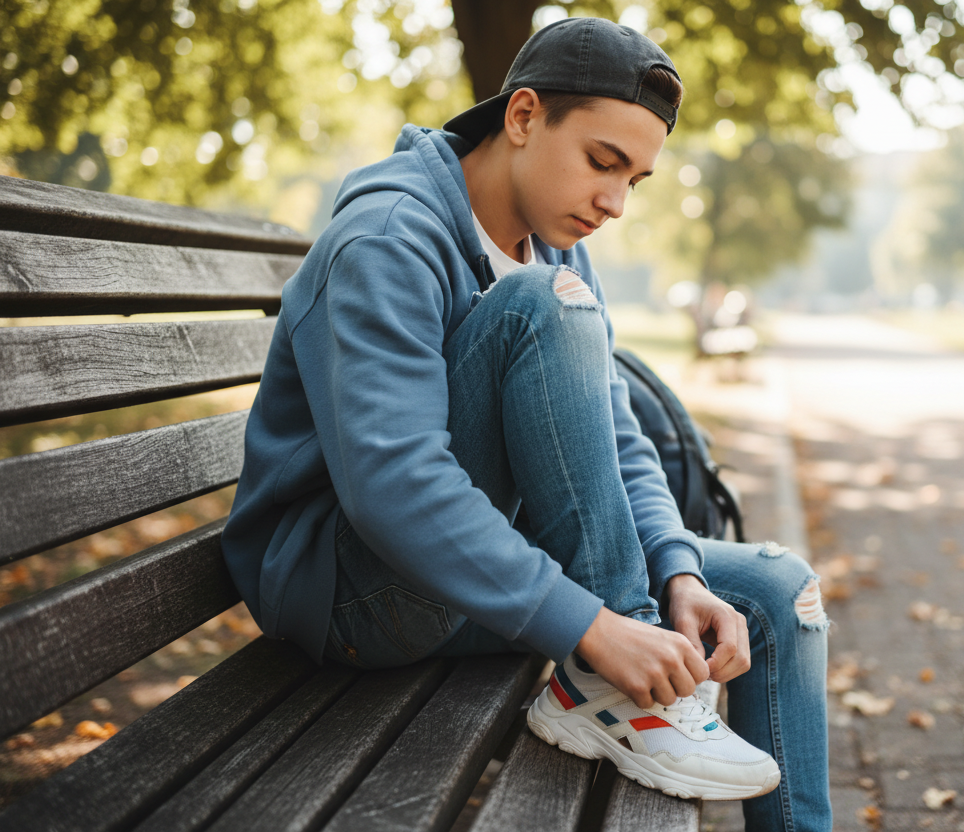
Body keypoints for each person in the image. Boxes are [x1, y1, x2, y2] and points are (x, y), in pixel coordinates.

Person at [222, 16, 832, 831]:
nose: (614, 203)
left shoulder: (556, 248)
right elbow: (394, 482)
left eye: (635, 180)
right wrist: (596, 628)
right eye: (602, 162)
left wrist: (678, 570)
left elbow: (620, 439)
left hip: (473, 567)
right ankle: (609, 691)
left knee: (777, 592)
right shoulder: (389, 238)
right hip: (353, 594)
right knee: (540, 306)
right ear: (522, 117)